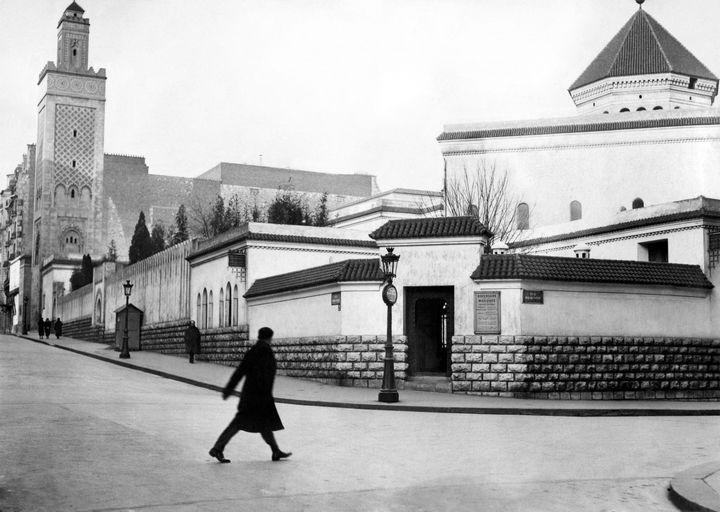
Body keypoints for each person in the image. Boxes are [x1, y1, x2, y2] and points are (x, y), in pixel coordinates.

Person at [209, 327, 291, 463]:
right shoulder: (264, 351)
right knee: (239, 423)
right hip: (258, 396)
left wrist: (228, 389)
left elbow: (240, 371)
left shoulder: (253, 351)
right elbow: (265, 375)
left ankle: (275, 451)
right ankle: (217, 448)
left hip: (253, 394)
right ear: (269, 338)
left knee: (264, 424)